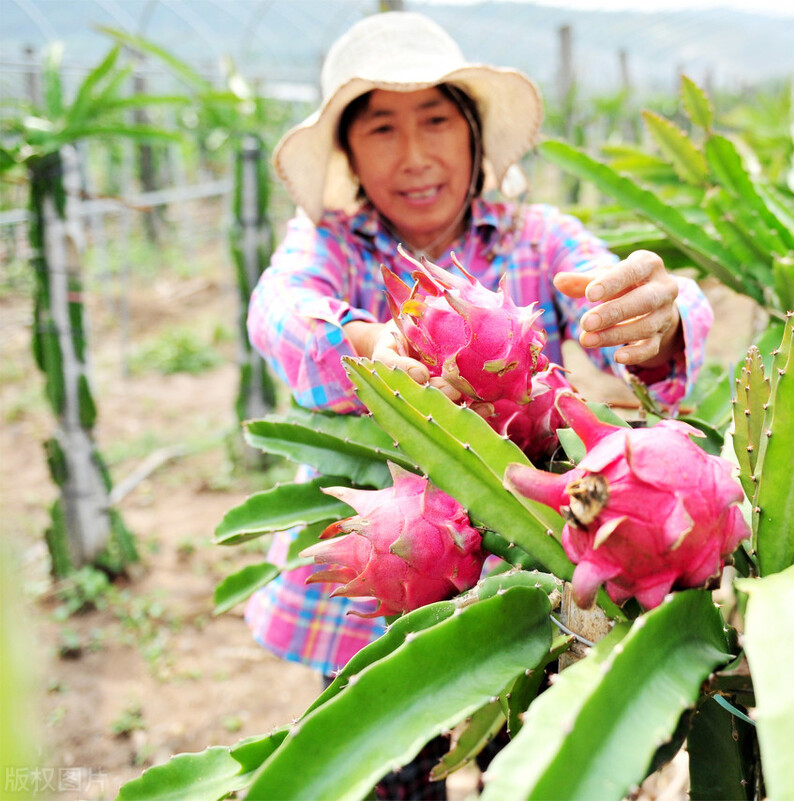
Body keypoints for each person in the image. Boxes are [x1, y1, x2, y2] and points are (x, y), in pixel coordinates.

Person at [242, 10, 713, 798]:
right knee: (385, 761)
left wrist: (658, 322)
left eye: (436, 120)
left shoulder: (540, 238)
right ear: (351, 155)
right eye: (382, 129)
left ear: (472, 136)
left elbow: (621, 297)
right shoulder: (329, 247)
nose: (416, 155)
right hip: (392, 565)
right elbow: (277, 311)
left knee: (533, 764)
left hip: (528, 567)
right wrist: (361, 341)